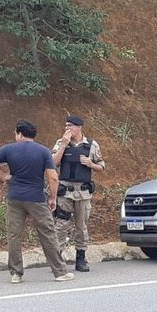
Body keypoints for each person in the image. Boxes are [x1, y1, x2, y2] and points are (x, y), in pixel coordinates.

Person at [0, 120, 74, 283]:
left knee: (14, 235)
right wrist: (52, 198)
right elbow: (53, 177)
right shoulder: (43, 151)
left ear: (19, 134)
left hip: (14, 198)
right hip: (36, 199)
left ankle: (16, 274)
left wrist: (3, 176)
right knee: (48, 234)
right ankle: (60, 272)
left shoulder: (9, 149)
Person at [52, 115, 105, 272]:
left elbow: (102, 166)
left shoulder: (91, 145)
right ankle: (57, 258)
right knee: (61, 225)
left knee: (81, 226)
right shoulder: (60, 142)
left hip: (83, 192)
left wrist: (91, 164)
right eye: (66, 126)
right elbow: (53, 163)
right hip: (64, 192)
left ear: (79, 127)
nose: (67, 129)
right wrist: (63, 145)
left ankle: (81, 258)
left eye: (70, 126)